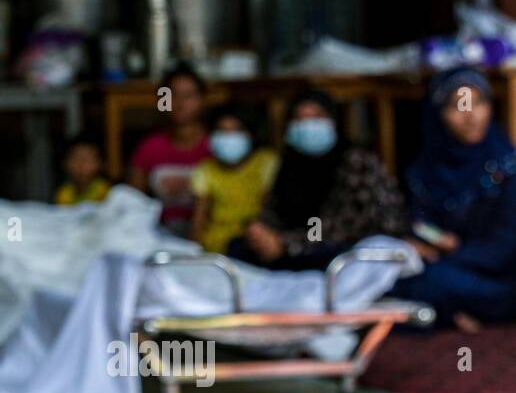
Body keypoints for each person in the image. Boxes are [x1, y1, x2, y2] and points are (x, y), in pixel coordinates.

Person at [390, 69, 516, 331]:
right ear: (438, 115)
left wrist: (450, 254)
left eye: (478, 102)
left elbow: (501, 250)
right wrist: (428, 241)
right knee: (392, 274)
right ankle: (452, 313)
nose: (471, 116)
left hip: (501, 278)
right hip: (450, 269)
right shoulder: (422, 172)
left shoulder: (507, 166)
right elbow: (419, 224)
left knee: (428, 282)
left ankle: (448, 313)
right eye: (458, 106)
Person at [235, 88, 408, 270]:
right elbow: (277, 212)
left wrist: (284, 243)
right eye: (300, 119)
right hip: (302, 242)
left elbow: (333, 230)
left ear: (333, 122)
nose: (308, 126)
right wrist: (259, 231)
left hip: (348, 248)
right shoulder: (290, 165)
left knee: (323, 252)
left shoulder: (355, 162)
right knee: (239, 247)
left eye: (317, 117)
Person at [127, 64, 211, 235]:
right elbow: (133, 203)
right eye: (171, 95)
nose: (179, 103)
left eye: (188, 96)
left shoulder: (215, 147)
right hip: (161, 235)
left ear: (202, 100)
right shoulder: (149, 147)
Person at [190, 103, 279, 254]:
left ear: (250, 134)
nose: (229, 137)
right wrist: (193, 253)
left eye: (236, 130)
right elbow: (199, 220)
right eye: (222, 131)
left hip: (255, 243)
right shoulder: (205, 170)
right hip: (215, 247)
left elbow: (271, 211)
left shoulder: (266, 163)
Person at [54, 137, 111, 204]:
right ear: (65, 163)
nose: (80, 165)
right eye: (75, 159)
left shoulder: (105, 192)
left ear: (99, 163)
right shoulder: (63, 194)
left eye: (86, 160)